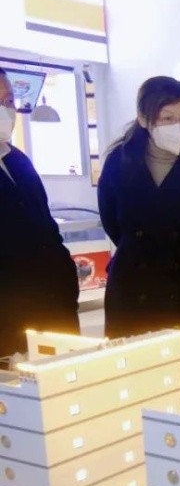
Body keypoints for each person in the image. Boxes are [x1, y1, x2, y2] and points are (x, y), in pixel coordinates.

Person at [98, 76, 180, 338]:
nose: (178, 127)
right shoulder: (120, 161)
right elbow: (111, 220)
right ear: (143, 118)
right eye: (167, 118)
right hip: (135, 285)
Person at [0, 66, 80, 355]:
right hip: (9, 323)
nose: (5, 111)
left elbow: (45, 228)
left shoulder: (18, 160)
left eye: (8, 101)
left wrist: (66, 279)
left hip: (52, 312)